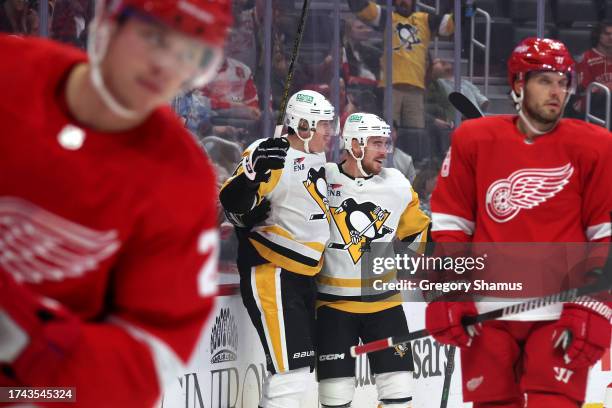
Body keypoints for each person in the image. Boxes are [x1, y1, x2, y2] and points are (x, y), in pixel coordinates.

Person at [0, 0, 232, 406]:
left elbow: (145, 365)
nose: (165, 65)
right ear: (110, 21)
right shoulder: (9, 70)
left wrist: (33, 345)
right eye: (153, 37)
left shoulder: (182, 181)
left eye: (190, 54)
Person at [426, 37, 612, 408]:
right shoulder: (474, 139)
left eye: (563, 82)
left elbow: (604, 234)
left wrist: (593, 304)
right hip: (486, 313)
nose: (556, 91)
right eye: (545, 80)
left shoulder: (595, 145)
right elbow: (451, 225)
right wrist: (451, 291)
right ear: (517, 84)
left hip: (561, 312)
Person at [219, 89, 336, 408]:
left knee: (296, 371)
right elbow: (231, 203)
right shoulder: (269, 154)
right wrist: (253, 173)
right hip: (273, 273)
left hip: (302, 278)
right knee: (291, 374)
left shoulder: (315, 153)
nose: (330, 131)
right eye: (324, 124)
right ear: (303, 126)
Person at [316, 113, 430, 408]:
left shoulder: (397, 185)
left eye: (386, 143)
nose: (385, 151)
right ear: (354, 144)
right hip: (333, 308)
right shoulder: (320, 178)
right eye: (377, 143)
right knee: (335, 398)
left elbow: (418, 232)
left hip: (385, 306)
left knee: (399, 396)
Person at [347, 0, 455, 128]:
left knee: (416, 133)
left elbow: (451, 24)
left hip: (416, 88)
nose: (403, 1)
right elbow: (362, 8)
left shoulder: (425, 20)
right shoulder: (387, 18)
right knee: (388, 130)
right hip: (392, 87)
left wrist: (469, 6)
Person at [573, 21, 612, 121]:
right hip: (590, 104)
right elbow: (585, 90)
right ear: (598, 35)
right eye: (607, 34)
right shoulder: (586, 58)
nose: (611, 37)